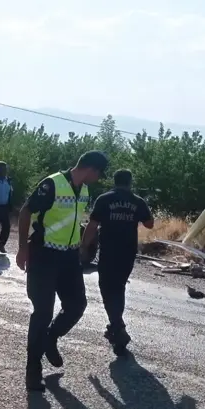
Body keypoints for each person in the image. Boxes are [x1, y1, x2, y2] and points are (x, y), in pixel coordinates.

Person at [16, 151, 109, 391]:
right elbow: (25, 212)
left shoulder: (85, 191)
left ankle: (51, 337)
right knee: (43, 312)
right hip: (44, 255)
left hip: (68, 257)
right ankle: (33, 370)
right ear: (91, 169)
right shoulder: (52, 184)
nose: (98, 179)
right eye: (99, 174)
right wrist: (22, 248)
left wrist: (81, 249)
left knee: (77, 304)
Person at [81, 169, 153, 356]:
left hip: (109, 252)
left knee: (107, 288)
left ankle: (117, 326)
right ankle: (116, 326)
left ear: (115, 181)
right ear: (130, 182)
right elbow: (150, 224)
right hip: (128, 252)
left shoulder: (104, 199)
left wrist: (83, 248)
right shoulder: (137, 201)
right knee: (118, 287)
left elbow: (92, 226)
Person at [0, 161, 13, 253]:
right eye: (3, 169)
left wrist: (10, 205)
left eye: (6, 169)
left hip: (4, 207)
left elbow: (9, 194)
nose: (5, 170)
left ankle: (1, 245)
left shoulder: (8, 180)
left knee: (6, 227)